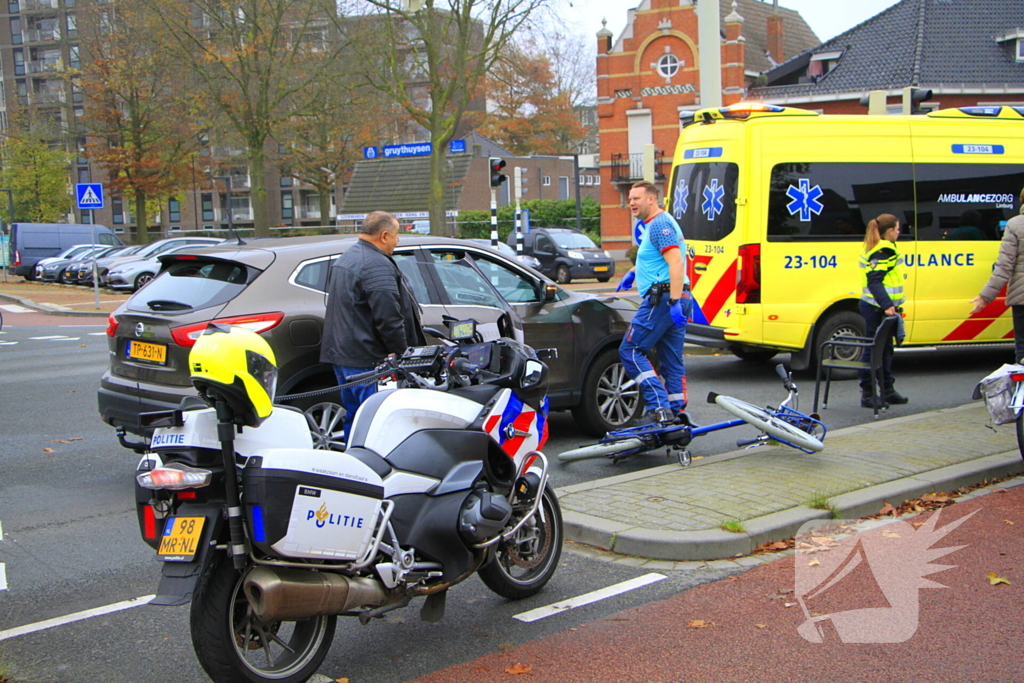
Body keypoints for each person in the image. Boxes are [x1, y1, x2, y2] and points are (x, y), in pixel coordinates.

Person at [320, 211, 425, 442]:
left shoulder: (347, 258)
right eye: (396, 235)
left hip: (344, 357)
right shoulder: (375, 265)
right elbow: (388, 318)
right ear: (384, 236)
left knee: (356, 418)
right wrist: (404, 356)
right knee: (378, 424)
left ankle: (353, 460)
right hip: (370, 361)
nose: (398, 240)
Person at [616, 181, 692, 425]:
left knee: (630, 350)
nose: (631, 203)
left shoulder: (659, 224)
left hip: (663, 299)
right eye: (630, 198)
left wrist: (673, 300)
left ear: (651, 199)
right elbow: (658, 258)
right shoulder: (658, 223)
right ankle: (676, 412)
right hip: (675, 297)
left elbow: (676, 262)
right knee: (671, 359)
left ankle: (658, 407)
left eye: (636, 198)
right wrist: (634, 272)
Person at [858, 213, 908, 408]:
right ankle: (868, 393)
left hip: (878, 307)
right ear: (890, 230)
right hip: (876, 308)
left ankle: (887, 390)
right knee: (873, 350)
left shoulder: (880, 247)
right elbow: (874, 281)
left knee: (886, 350)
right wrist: (887, 304)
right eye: (897, 229)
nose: (899, 232)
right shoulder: (883, 250)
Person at [970, 189, 1024, 363]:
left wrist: (985, 297)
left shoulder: (1015, 224)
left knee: (1023, 352)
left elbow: (1004, 266)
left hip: (1022, 298)